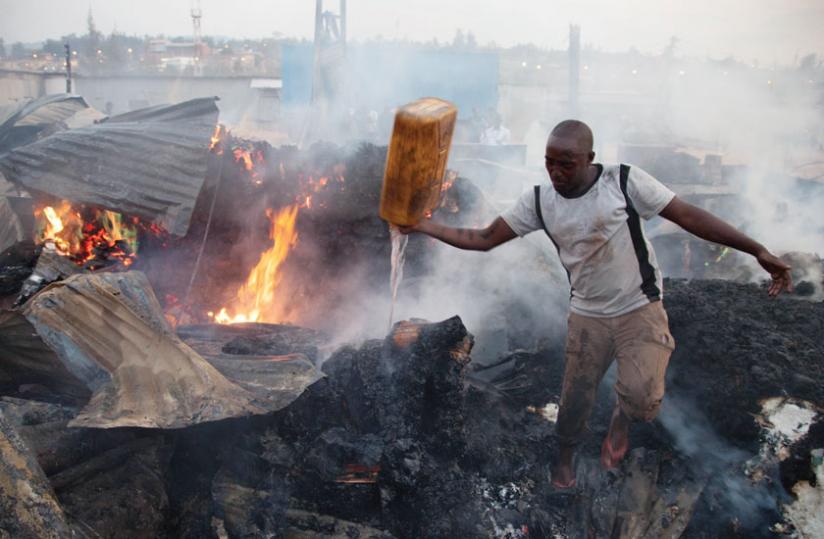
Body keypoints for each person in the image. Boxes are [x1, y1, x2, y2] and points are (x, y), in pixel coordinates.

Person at [399, 119, 792, 488]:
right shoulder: (539, 201)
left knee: (641, 398)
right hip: (588, 316)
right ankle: (565, 456)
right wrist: (423, 225)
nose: (556, 173)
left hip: (641, 307)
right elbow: (484, 238)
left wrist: (757, 249)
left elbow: (687, 215)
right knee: (574, 401)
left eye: (566, 164)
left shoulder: (622, 181)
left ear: (589, 159)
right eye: (549, 163)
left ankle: (622, 419)